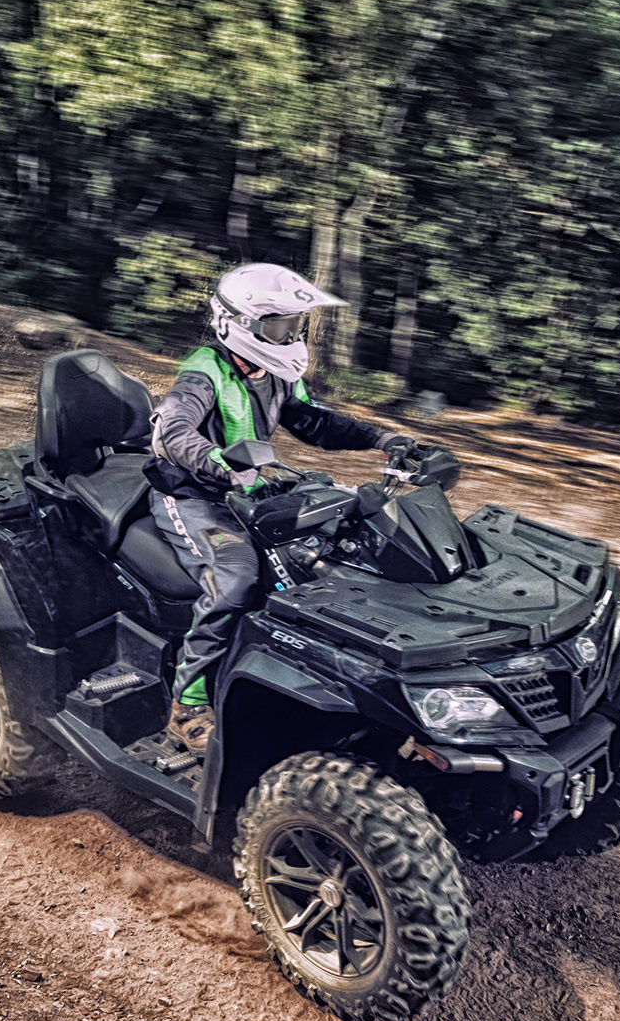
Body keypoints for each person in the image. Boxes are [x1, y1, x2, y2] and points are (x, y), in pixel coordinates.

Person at [147, 262, 419, 753]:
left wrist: (383, 439)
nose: (291, 336)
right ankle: (188, 703)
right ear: (239, 323)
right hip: (191, 495)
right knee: (236, 580)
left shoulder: (275, 371)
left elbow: (313, 421)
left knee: (326, 560)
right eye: (280, 327)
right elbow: (172, 431)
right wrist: (220, 463)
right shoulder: (205, 372)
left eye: (295, 325)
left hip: (248, 490)